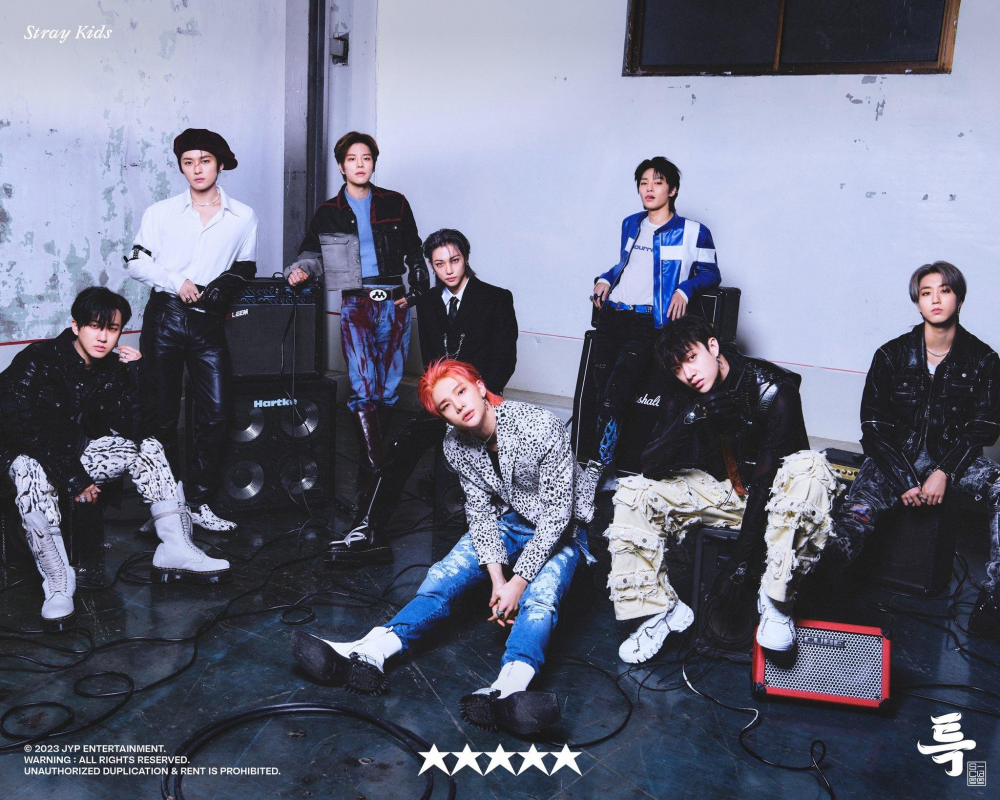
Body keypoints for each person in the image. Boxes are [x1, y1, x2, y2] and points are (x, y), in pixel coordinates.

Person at [291, 359, 595, 734]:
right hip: (511, 519)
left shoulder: (539, 425)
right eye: (446, 406)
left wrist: (518, 582)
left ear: (480, 387)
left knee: (540, 598)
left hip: (563, 528)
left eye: (461, 392)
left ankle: (512, 684)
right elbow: (480, 513)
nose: (458, 406)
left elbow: (556, 516)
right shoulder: (455, 445)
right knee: (443, 575)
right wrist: (498, 580)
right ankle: (374, 648)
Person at [605, 316, 839, 661]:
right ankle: (660, 611)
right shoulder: (682, 392)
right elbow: (649, 466)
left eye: (691, 358)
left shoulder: (774, 390)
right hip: (721, 493)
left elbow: (766, 480)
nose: (688, 373)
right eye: (677, 368)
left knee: (812, 466)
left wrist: (737, 568)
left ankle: (777, 602)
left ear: (712, 347)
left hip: (777, 500)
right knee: (633, 491)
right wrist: (691, 419)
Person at [0, 288, 230, 631]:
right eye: (95, 326)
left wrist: (137, 373)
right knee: (27, 467)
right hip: (22, 459)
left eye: (113, 329)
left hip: (74, 458)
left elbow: (136, 429)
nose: (104, 337)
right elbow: (21, 429)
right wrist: (75, 479)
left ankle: (176, 548)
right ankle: (58, 582)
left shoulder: (111, 369)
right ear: (76, 326)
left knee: (147, 447)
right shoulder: (38, 359)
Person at [827, 262, 1000, 639]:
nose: (935, 299)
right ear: (918, 302)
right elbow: (873, 429)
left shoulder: (984, 360)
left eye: (944, 290)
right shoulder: (890, 355)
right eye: (926, 292)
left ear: (959, 299)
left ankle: (994, 600)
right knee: (853, 520)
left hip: (954, 460)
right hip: (893, 461)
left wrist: (945, 472)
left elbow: (984, 427)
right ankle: (821, 593)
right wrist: (905, 479)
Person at [328, 228, 518, 566]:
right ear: (431, 266)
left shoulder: (497, 298)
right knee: (401, 445)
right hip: (444, 406)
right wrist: (442, 405)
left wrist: (476, 399)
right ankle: (367, 529)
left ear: (466, 258)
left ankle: (509, 532)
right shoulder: (428, 302)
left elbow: (505, 361)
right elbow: (432, 363)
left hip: (483, 402)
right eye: (440, 264)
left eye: (454, 260)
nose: (449, 270)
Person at [284, 131, 429, 507]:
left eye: (366, 158)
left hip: (395, 303)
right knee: (364, 388)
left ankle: (374, 469)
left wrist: (417, 289)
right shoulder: (328, 212)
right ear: (341, 166)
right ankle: (376, 468)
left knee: (389, 389)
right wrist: (300, 270)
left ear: (374, 163)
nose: (360, 164)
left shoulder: (395, 202)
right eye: (352, 159)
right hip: (356, 304)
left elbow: (415, 250)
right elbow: (311, 255)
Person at [125, 128, 258, 532]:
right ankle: (165, 508)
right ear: (181, 167)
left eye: (205, 161)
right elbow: (135, 262)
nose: (197, 169)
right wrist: (175, 280)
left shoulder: (243, 216)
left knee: (216, 413)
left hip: (208, 322)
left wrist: (224, 285)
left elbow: (246, 264)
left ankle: (198, 502)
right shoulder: (160, 212)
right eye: (188, 162)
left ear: (220, 164)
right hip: (165, 317)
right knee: (161, 416)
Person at [588, 156, 720, 476]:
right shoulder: (631, 223)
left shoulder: (693, 231)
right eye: (644, 183)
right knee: (600, 394)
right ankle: (602, 465)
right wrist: (605, 278)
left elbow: (711, 273)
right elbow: (627, 265)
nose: (649, 189)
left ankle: (600, 468)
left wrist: (685, 289)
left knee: (615, 395)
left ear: (672, 190)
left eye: (657, 183)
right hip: (612, 316)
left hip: (647, 323)